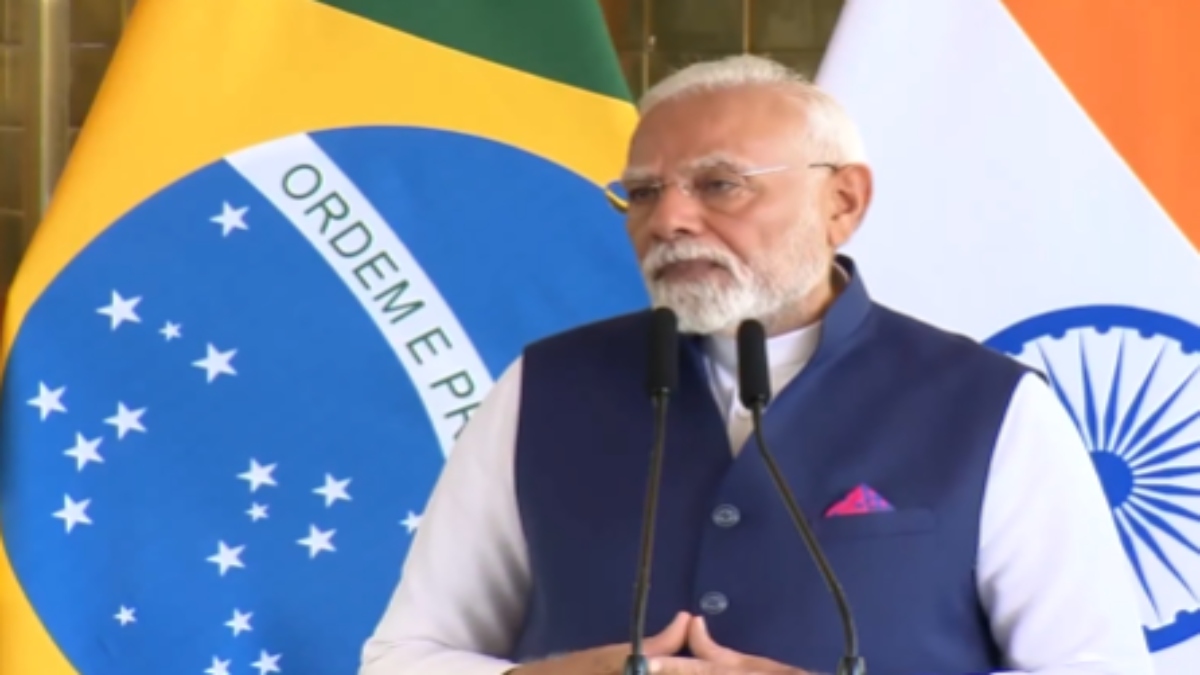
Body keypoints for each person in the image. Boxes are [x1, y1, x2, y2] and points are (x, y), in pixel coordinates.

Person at [358, 54, 1154, 675]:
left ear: (842, 202)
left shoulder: (990, 406)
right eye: (640, 194)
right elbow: (404, 655)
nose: (669, 219)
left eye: (719, 185)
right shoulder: (543, 389)